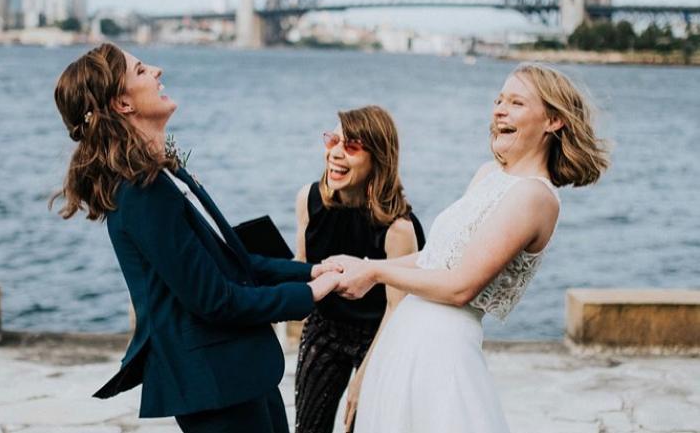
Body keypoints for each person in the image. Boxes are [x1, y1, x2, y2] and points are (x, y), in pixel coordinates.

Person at [50, 43, 342, 433]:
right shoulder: (141, 192)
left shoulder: (165, 176)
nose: (156, 70)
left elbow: (236, 262)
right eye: (140, 71)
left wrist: (312, 271)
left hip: (240, 371)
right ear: (122, 103)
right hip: (214, 385)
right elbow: (215, 299)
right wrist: (311, 295)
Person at [329, 63, 610, 433]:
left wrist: (376, 272)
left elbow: (461, 286)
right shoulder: (487, 174)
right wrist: (363, 264)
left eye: (516, 103)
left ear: (553, 120)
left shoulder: (536, 198)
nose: (499, 109)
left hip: (443, 352)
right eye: (498, 100)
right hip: (407, 339)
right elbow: (436, 259)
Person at [293, 106, 425, 433]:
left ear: (377, 158)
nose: (336, 153)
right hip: (325, 325)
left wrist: (363, 378)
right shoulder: (308, 199)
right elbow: (302, 267)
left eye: (351, 147)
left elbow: (397, 309)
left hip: (379, 333)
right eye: (333, 141)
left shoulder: (399, 229)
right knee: (308, 428)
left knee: (363, 423)